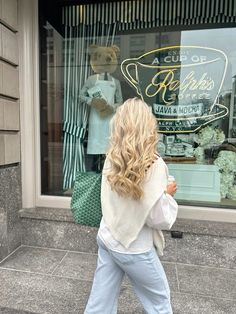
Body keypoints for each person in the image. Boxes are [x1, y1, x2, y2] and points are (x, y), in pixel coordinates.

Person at [84, 98, 178, 314]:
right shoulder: (155, 165)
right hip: (134, 247)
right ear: (148, 125)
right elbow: (158, 218)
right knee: (159, 301)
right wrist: (167, 195)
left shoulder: (112, 157)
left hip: (108, 237)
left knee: (100, 303)